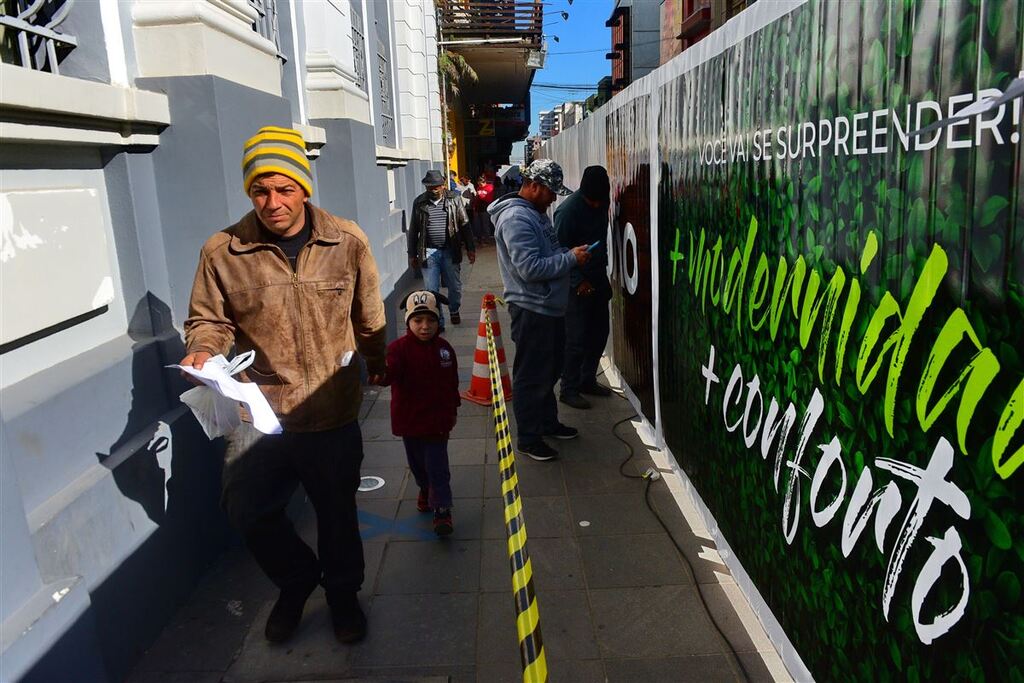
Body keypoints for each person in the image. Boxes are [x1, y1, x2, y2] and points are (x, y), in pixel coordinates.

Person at [180, 126, 386, 645]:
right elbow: (209, 320)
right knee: (245, 508)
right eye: (260, 191)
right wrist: (203, 349)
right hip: (261, 412)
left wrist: (379, 362)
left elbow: (369, 317)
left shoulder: (347, 241)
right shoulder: (223, 251)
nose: (273, 203)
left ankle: (343, 596)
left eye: (284, 189)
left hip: (330, 408)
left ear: (303, 187)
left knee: (337, 514)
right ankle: (296, 580)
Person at [489, 159, 592, 462]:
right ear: (534, 186)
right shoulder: (516, 219)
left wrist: (568, 254)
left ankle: (547, 423)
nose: (553, 198)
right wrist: (570, 259)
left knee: (549, 370)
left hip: (548, 307)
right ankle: (529, 437)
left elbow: (548, 252)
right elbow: (530, 268)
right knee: (532, 375)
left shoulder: (536, 214)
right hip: (532, 309)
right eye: (550, 191)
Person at [382, 290, 461, 536]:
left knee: (438, 465)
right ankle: (425, 489)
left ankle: (442, 509)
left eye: (431, 320)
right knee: (418, 464)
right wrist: (378, 372)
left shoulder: (444, 349)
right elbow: (388, 374)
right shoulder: (398, 350)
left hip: (438, 422)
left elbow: (452, 382)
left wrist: (454, 406)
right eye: (418, 320)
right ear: (408, 321)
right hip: (410, 421)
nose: (425, 326)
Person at [555, 165, 614, 409]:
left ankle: (587, 379)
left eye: (600, 201)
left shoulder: (602, 200)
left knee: (600, 332)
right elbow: (559, 252)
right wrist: (578, 281)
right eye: (592, 202)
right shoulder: (568, 212)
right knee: (576, 339)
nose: (597, 206)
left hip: (597, 275)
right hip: (575, 283)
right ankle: (568, 389)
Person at [408, 170, 476, 330]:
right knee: (431, 291)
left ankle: (454, 309)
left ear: (443, 185)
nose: (433, 190)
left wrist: (470, 248)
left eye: (436, 187)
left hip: (450, 251)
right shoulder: (419, 203)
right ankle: (438, 321)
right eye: (430, 187)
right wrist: (412, 254)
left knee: (454, 287)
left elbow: (465, 225)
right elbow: (413, 230)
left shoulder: (455, 199)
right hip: (428, 252)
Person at [471, 173, 496, 243]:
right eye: (478, 184)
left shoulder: (490, 187)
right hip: (478, 208)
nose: (479, 185)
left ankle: (487, 238)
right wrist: (474, 206)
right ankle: (479, 238)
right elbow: (476, 198)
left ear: (484, 182)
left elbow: (489, 199)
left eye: (480, 184)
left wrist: (481, 195)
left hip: (485, 208)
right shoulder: (478, 188)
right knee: (478, 224)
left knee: (485, 224)